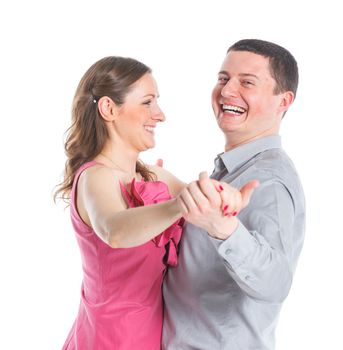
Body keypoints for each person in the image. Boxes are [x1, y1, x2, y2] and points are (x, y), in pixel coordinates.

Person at [55, 56, 255, 349]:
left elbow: (203, 196)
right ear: (109, 109)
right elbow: (115, 230)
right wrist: (180, 204)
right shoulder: (95, 178)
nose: (160, 115)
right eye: (147, 102)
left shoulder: (153, 175)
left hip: (153, 336)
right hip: (110, 340)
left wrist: (228, 196)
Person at [163, 39, 306, 350]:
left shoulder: (270, 180)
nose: (227, 91)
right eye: (223, 78)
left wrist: (223, 228)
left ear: (283, 101)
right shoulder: (233, 170)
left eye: (247, 82)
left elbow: (275, 282)